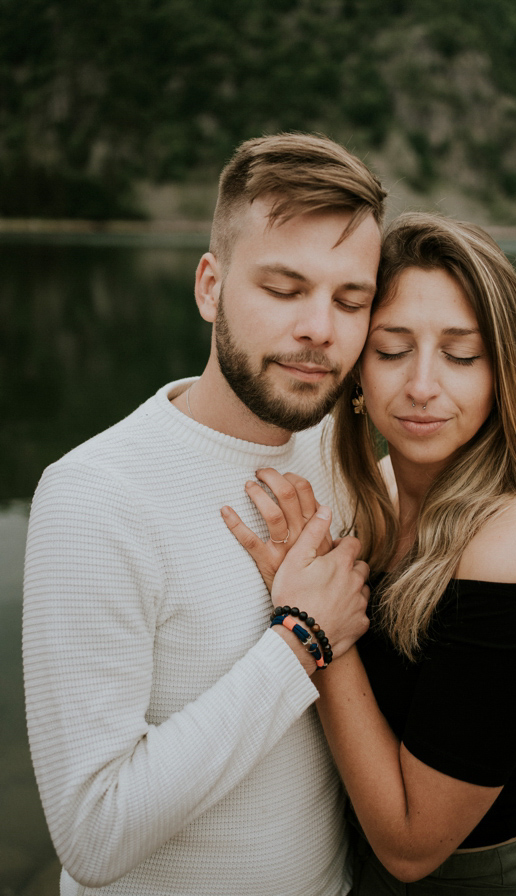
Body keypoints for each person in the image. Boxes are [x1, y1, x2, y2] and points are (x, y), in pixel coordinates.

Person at [22, 132, 385, 895]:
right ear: (210, 286)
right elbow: (93, 832)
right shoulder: (97, 497)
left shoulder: (338, 452)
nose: (321, 328)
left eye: (350, 299)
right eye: (285, 289)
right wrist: (300, 641)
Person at [224, 211, 516, 893]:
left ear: (502, 374)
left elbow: (412, 845)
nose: (422, 385)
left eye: (461, 355)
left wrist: (314, 631)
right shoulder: (381, 488)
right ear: (357, 368)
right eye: (392, 349)